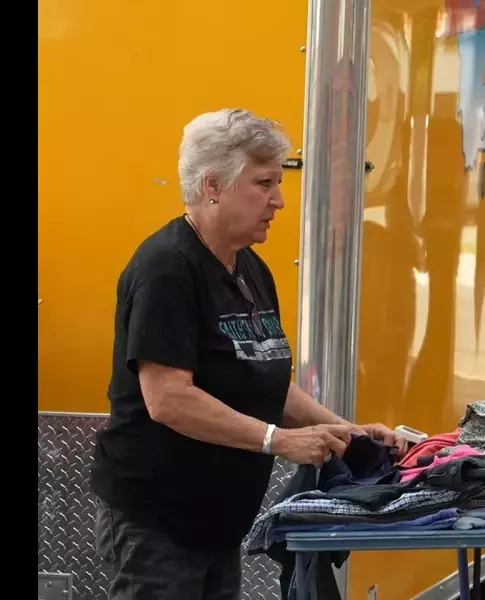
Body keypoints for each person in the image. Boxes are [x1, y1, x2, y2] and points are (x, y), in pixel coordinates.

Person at [88, 108, 407, 600]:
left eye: (278, 183)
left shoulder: (251, 267)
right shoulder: (166, 270)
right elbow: (168, 399)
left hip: (218, 521)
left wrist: (348, 431)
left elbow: (267, 381)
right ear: (212, 184)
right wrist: (276, 441)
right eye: (263, 184)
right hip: (158, 520)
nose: (279, 201)